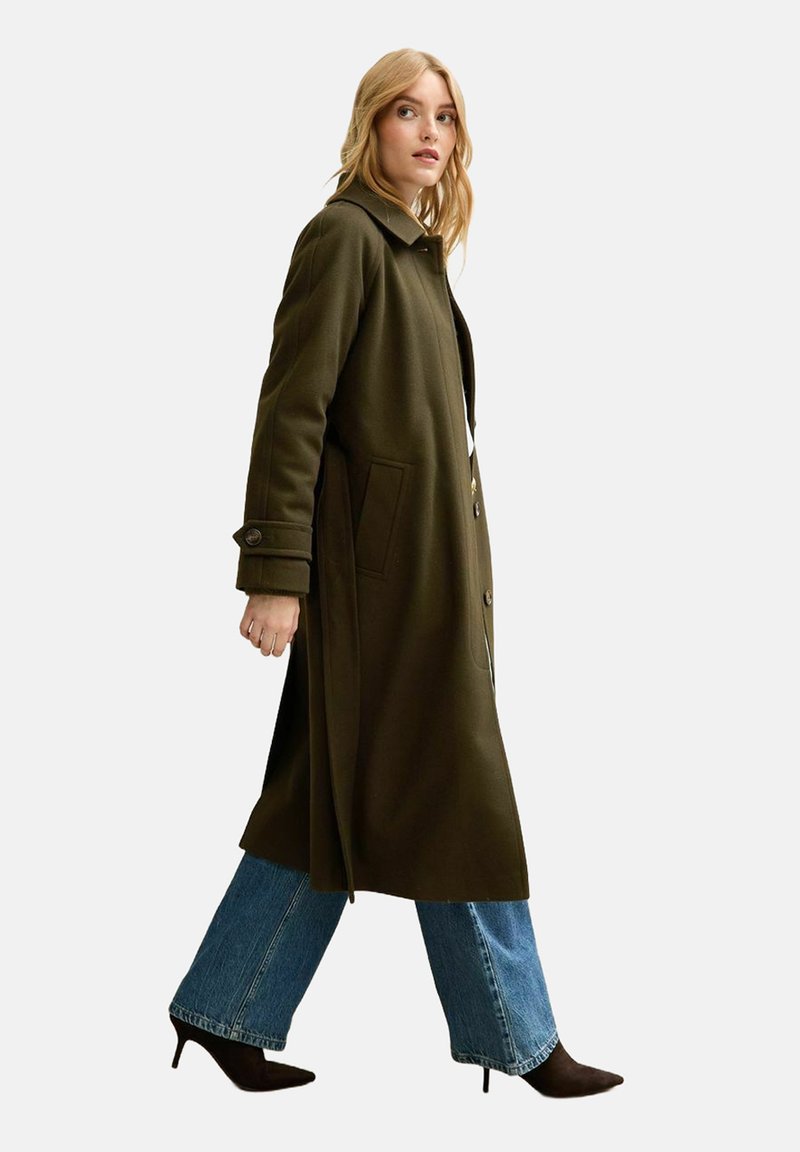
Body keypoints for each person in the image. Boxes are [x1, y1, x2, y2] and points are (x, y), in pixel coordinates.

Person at [168, 47, 624, 1098]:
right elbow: (293, 411)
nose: (430, 132)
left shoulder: (415, 251)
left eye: (446, 117)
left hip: (421, 578)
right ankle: (520, 1037)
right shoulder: (345, 237)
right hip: (375, 589)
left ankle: (223, 1004)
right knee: (457, 791)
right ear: (370, 124)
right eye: (408, 112)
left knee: (329, 798)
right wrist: (274, 572)